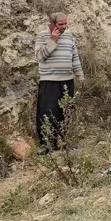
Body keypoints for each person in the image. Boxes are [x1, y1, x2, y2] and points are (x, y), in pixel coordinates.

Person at [34, 12, 85, 155]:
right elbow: (40, 56)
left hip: (67, 81)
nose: (63, 27)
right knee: (47, 113)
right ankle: (45, 145)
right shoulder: (42, 36)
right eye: (60, 24)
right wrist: (53, 40)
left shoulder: (69, 37)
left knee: (65, 112)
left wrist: (80, 76)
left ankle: (61, 142)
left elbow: (74, 57)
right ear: (52, 24)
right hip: (49, 81)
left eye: (65, 24)